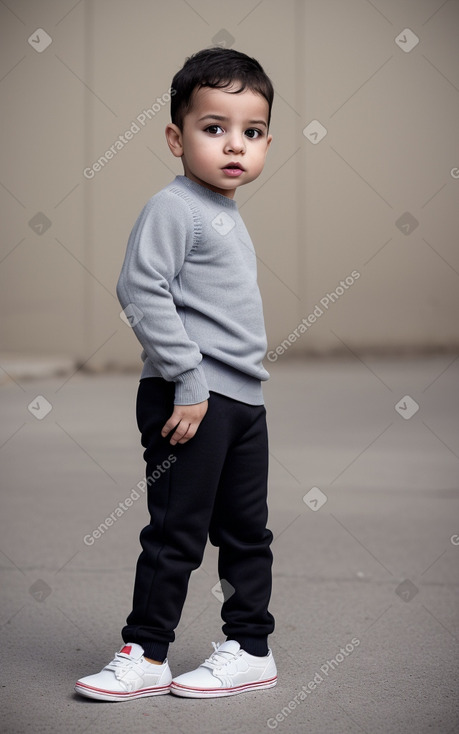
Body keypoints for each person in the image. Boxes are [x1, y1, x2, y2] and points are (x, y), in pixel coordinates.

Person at [75, 46, 276, 701]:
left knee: (246, 531)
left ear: (267, 141)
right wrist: (189, 382)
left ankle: (250, 647)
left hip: (242, 402)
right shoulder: (175, 207)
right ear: (175, 136)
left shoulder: (225, 212)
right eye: (212, 128)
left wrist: (239, 396)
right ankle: (147, 652)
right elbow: (140, 289)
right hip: (190, 398)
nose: (233, 146)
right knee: (175, 532)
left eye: (250, 132)